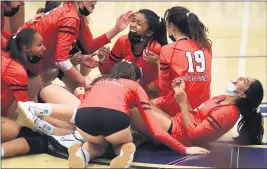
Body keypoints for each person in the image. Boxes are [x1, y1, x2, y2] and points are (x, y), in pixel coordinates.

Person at [16, 62, 210, 168]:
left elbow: (85, 104)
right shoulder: (134, 87)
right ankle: (124, 155)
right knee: (125, 143)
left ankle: (83, 153)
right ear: (134, 78)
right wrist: (184, 150)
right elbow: (154, 128)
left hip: (86, 121)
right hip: (115, 124)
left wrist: (80, 93)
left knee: (92, 139)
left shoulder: (100, 83)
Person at [17, 1, 134, 96]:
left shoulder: (75, 14)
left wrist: (117, 28)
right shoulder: (70, 17)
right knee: (31, 109)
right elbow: (61, 60)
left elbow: (89, 47)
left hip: (42, 64)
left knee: (85, 87)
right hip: (26, 65)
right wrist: (82, 80)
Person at [130, 76, 264, 148]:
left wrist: (182, 103)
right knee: (136, 99)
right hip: (176, 123)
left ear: (243, 94)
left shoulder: (229, 113)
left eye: (244, 81)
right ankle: (141, 135)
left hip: (179, 137)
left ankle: (140, 136)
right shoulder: (223, 98)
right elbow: (193, 114)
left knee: (131, 108)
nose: (240, 77)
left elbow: (193, 135)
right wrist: (181, 92)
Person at [155, 6, 212, 117]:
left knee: (140, 106)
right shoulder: (206, 45)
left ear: (171, 26)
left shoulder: (168, 49)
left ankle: (171, 123)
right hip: (203, 105)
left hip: (179, 105)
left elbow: (164, 87)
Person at [99, 9, 168, 98]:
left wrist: (145, 88)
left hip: (149, 96)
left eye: (139, 24)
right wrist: (103, 60)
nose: (133, 25)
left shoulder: (156, 49)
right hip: (128, 92)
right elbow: (106, 72)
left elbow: (165, 83)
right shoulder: (122, 41)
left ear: (149, 32)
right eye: (133, 20)